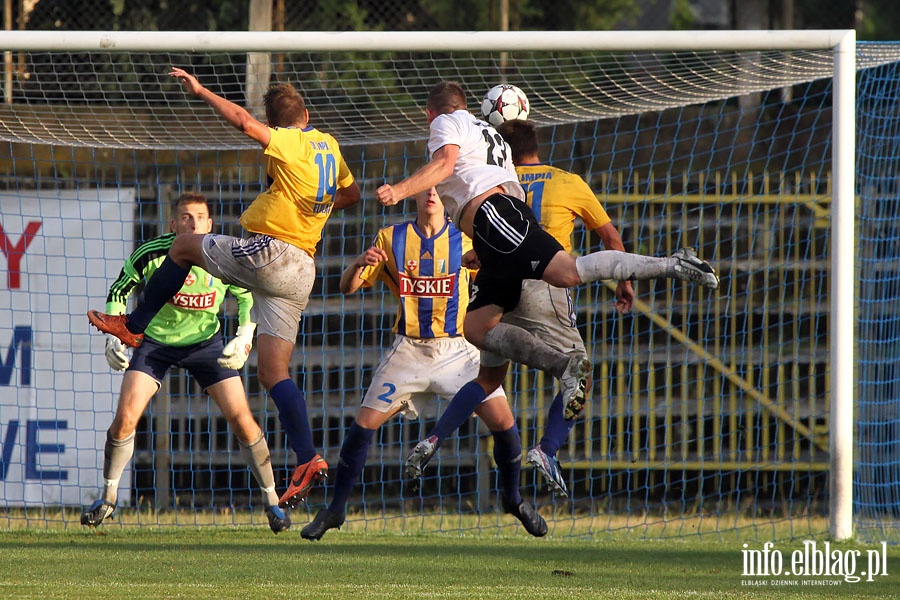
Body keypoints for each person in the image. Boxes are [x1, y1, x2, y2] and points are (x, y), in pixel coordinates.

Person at [375, 81, 718, 483]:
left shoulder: (448, 121)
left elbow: (447, 165)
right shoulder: (489, 136)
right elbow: (495, 183)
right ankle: (555, 377)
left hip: (496, 219)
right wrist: (487, 252)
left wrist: (400, 189)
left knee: (567, 272)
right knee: (475, 327)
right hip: (495, 230)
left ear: (431, 114)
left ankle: (671, 264)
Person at [87, 68, 362, 509]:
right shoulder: (328, 144)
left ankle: (133, 325)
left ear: (277, 124)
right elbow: (351, 196)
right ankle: (308, 457)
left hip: (272, 252)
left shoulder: (288, 141)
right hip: (303, 269)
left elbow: (243, 122)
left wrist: (201, 91)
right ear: (308, 113)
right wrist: (305, 203)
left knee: (180, 248)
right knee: (274, 373)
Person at [299, 188, 546, 541]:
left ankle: (513, 499)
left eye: (437, 189)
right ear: (413, 195)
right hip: (409, 349)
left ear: (447, 197)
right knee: (363, 426)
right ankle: (336, 509)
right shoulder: (391, 237)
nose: (431, 194)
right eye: (424, 189)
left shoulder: (466, 240)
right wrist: (359, 263)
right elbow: (346, 287)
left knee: (504, 423)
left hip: (458, 349)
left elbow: (502, 284)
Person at [418, 118, 636, 498]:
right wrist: (624, 282)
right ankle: (547, 449)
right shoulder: (567, 181)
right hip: (545, 283)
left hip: (497, 283)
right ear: (536, 144)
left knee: (488, 380)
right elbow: (610, 237)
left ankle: (434, 438)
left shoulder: (492, 179)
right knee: (578, 371)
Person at [80, 192, 289, 534]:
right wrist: (113, 335)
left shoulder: (223, 254)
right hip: (155, 343)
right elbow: (120, 291)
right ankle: (107, 499)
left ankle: (272, 503)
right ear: (173, 224)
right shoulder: (152, 252)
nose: (192, 224)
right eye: (185, 218)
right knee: (124, 420)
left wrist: (245, 334)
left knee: (243, 421)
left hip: (206, 345)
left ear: (210, 224)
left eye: (199, 218)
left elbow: (247, 295)